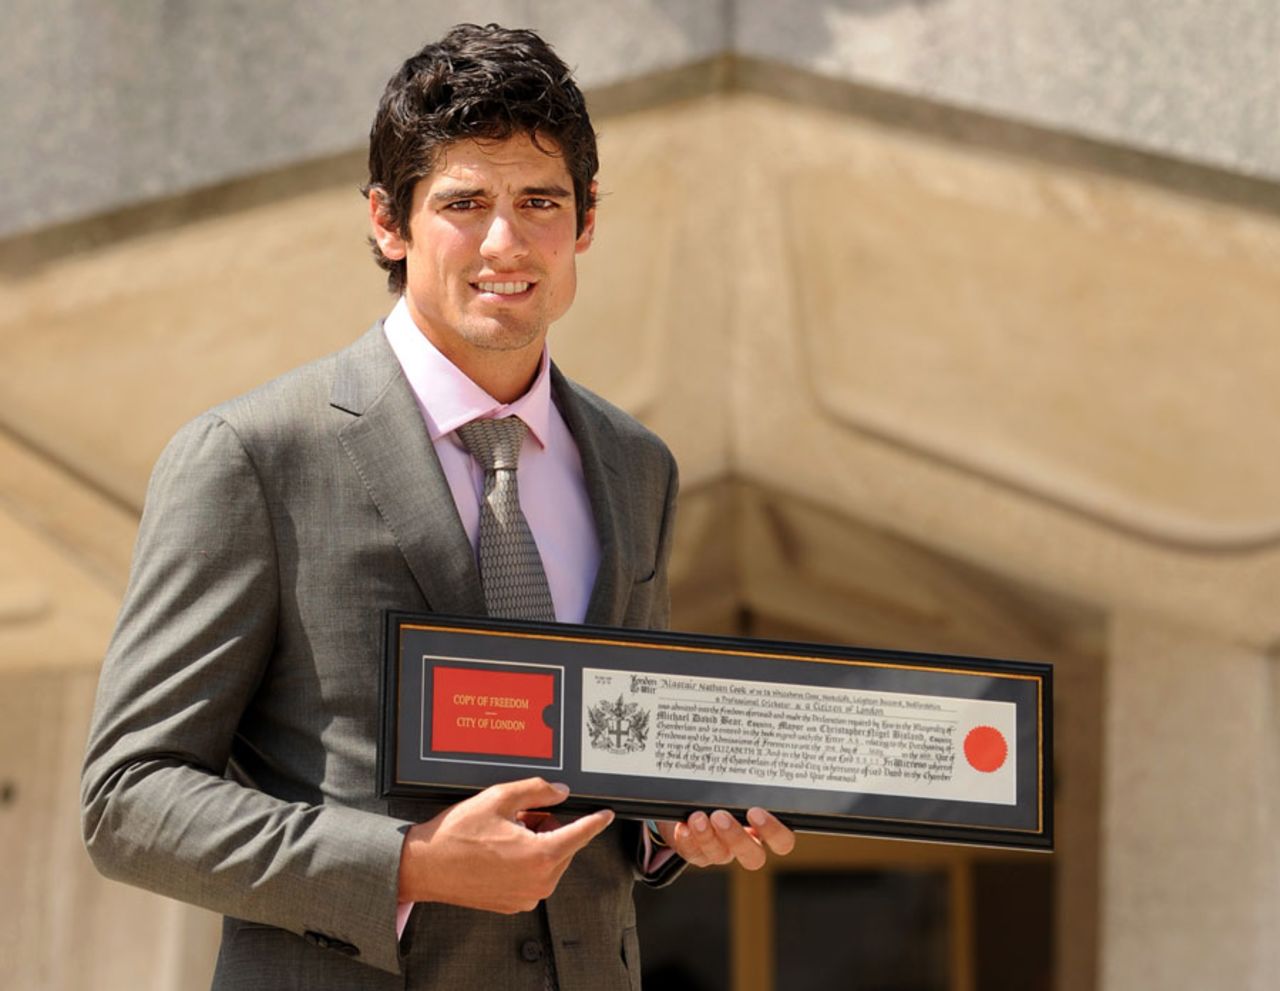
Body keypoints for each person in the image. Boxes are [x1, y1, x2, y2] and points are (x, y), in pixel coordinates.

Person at [80, 22, 793, 991]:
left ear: (585, 219)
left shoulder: (635, 464)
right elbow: (130, 802)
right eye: (464, 203)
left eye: (539, 201)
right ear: (388, 220)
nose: (506, 241)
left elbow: (607, 749)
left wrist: (672, 818)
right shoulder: (251, 455)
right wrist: (409, 864)